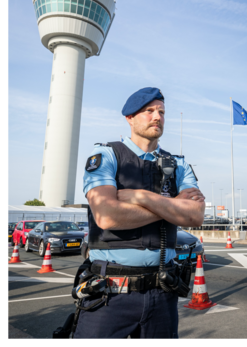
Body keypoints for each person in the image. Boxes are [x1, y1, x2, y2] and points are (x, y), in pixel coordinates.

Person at [74, 87, 205, 340]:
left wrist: (143, 197)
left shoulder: (178, 164)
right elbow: (107, 216)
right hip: (109, 293)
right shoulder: (106, 155)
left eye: (161, 112)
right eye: (149, 111)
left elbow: (195, 216)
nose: (157, 117)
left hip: (162, 293)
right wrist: (173, 206)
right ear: (130, 118)